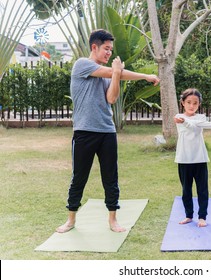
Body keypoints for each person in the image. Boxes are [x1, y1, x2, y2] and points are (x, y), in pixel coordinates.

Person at [56, 29, 160, 233]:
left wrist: (115, 74)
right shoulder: (82, 65)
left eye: (111, 50)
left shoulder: (107, 75)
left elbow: (111, 98)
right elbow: (116, 73)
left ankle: (113, 220)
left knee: (110, 177)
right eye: (106, 48)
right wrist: (145, 76)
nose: (109, 53)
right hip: (84, 132)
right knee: (79, 177)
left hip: (107, 132)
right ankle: (71, 220)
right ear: (94, 47)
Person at [174, 88, 211, 227]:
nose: (191, 106)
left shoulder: (200, 117)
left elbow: (198, 126)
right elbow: (192, 127)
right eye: (188, 102)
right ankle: (189, 215)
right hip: (184, 159)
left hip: (200, 159)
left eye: (195, 103)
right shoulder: (178, 116)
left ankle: (202, 217)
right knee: (186, 190)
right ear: (183, 102)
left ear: (199, 104)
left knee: (202, 189)